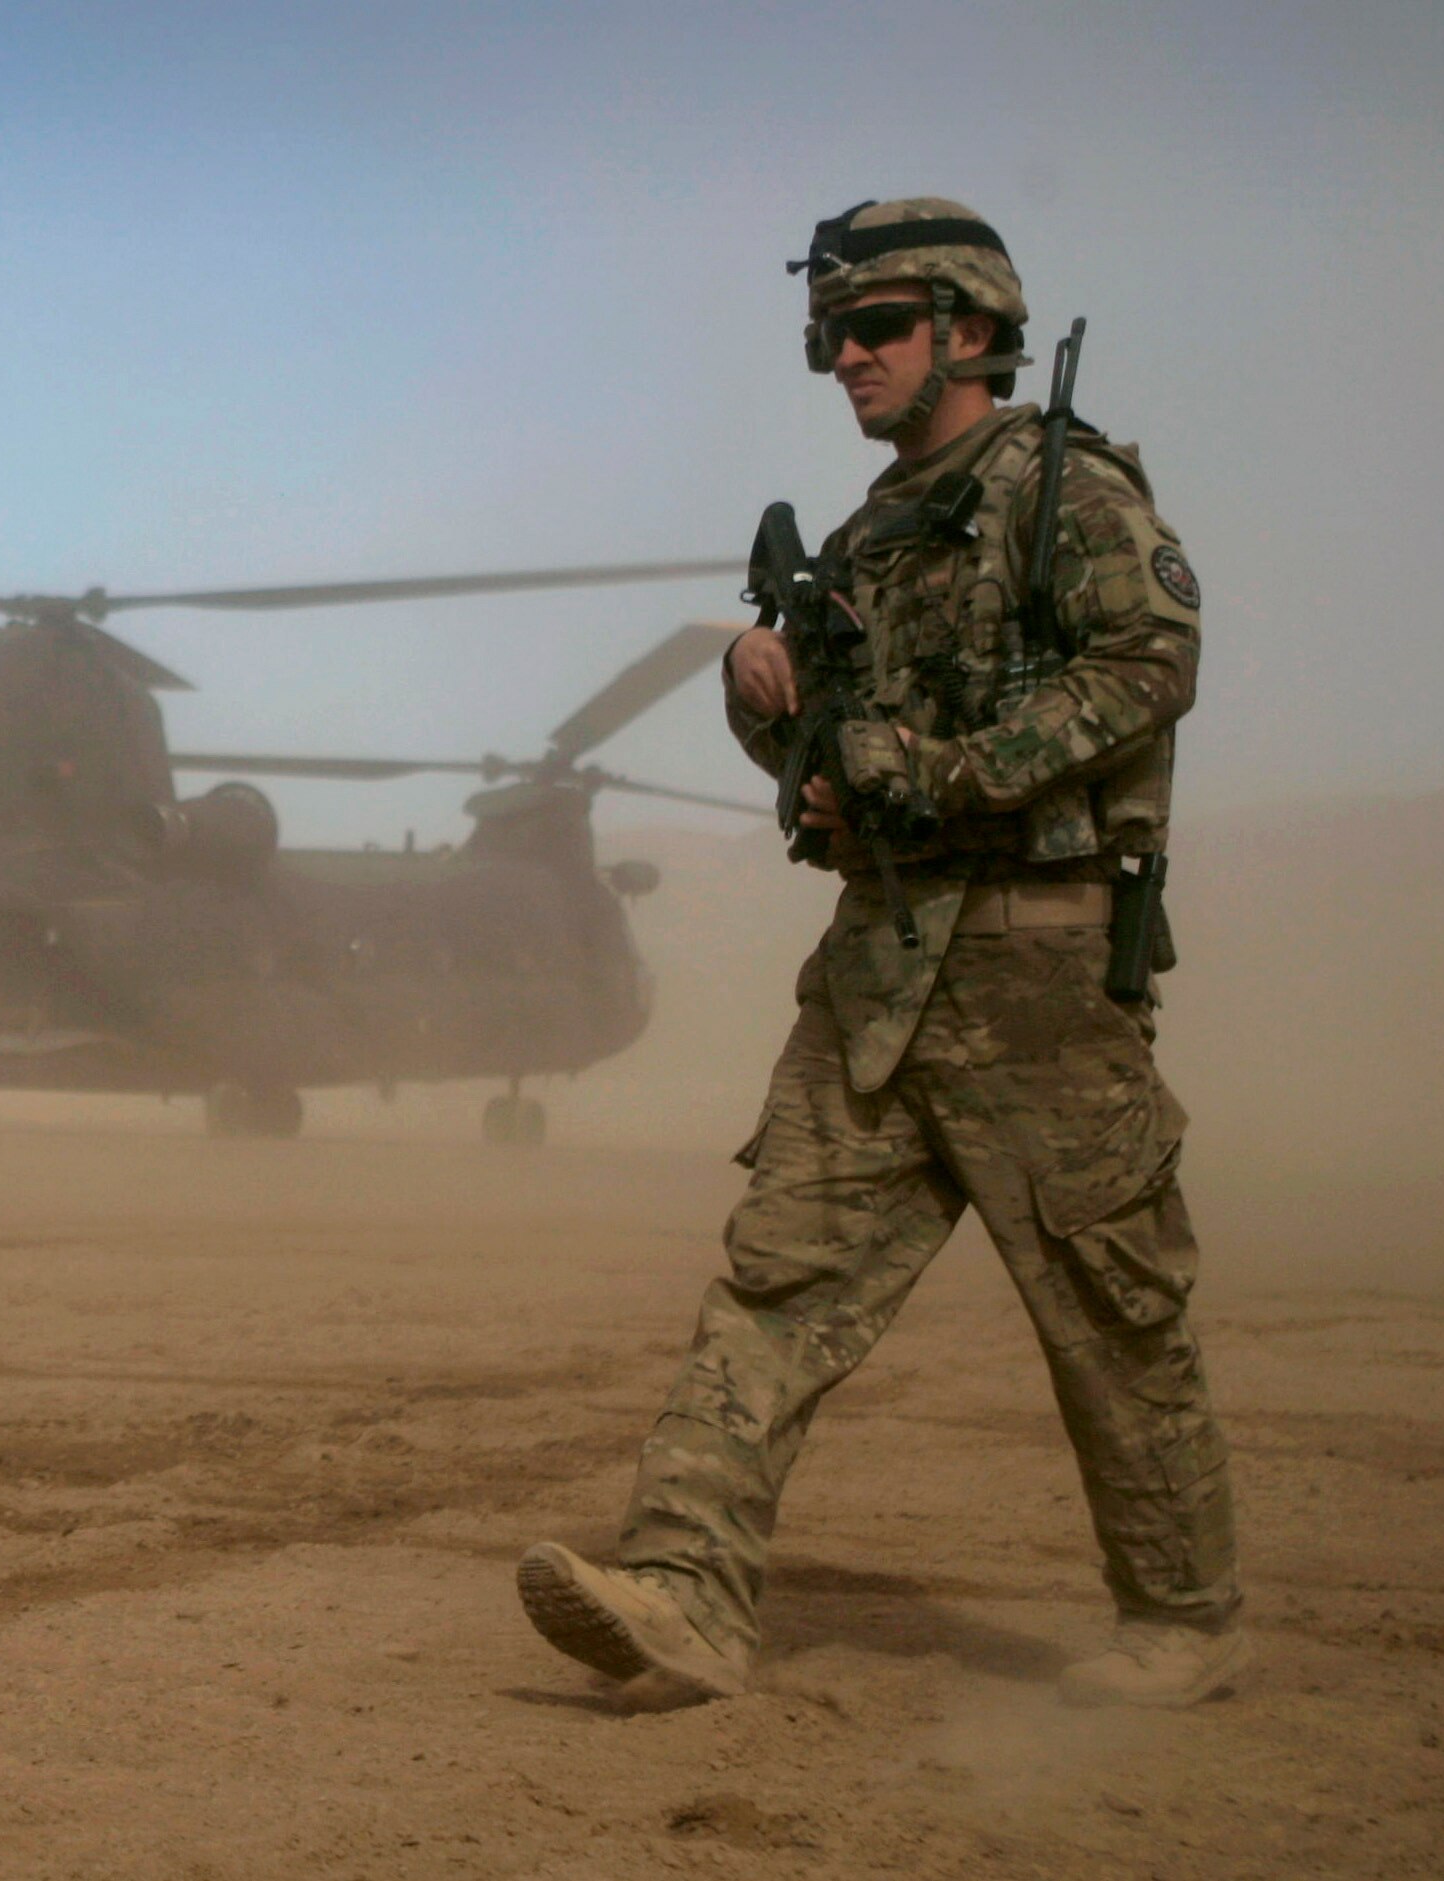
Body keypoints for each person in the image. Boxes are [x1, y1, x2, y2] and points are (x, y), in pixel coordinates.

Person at [518, 199, 1246, 1709]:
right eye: (831, 332)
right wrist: (758, 687)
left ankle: (1182, 1621)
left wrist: (945, 771)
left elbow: (1149, 665)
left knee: (1110, 1311)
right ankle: (685, 1593)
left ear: (969, 331)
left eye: (879, 328)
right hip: (880, 966)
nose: (844, 356)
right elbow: (831, 761)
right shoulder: (866, 538)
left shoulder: (1066, 492)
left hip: (1038, 965)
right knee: (774, 1288)